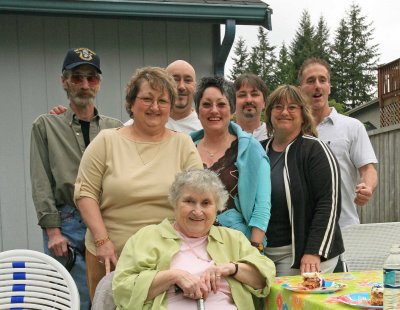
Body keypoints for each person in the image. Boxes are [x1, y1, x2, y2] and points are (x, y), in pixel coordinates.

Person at [74, 66, 203, 300]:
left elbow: (200, 199)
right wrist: (102, 241)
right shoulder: (107, 141)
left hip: (168, 261)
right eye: (147, 99)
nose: (155, 107)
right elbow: (85, 193)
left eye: (163, 101)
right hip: (111, 256)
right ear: (131, 103)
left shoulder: (183, 145)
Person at [30, 47, 122, 309]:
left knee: (109, 295)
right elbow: (41, 182)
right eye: (76, 77)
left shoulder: (114, 128)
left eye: (91, 78)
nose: (84, 85)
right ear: (64, 81)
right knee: (70, 298)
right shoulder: (46, 126)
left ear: (99, 83)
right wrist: (52, 231)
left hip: (107, 220)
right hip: (66, 224)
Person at [112, 169, 276, 309]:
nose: (198, 211)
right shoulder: (147, 237)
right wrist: (173, 276)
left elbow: (264, 277)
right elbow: (121, 289)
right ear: (175, 203)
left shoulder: (233, 239)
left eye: (206, 203)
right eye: (189, 201)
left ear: (217, 208)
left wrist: (231, 268)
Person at [261, 85, 344, 276]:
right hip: (263, 252)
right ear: (270, 113)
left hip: (302, 253)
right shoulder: (258, 151)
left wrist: (314, 251)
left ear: (303, 114)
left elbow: (328, 204)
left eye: (292, 107)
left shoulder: (315, 150)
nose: (284, 112)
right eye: (278, 106)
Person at [190, 76, 271, 252]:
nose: (214, 111)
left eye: (221, 104)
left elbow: (262, 205)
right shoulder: (186, 148)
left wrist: (255, 249)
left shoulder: (251, 149)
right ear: (197, 111)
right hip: (193, 247)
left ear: (232, 109)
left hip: (239, 247)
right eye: (206, 105)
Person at [298, 57, 378, 229]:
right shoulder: (293, 131)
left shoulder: (352, 127)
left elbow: (368, 169)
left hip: (344, 228)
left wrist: (367, 187)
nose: (317, 85)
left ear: (329, 87)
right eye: (310, 81)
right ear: (300, 89)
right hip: (302, 230)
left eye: (322, 80)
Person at [124, 60, 202, 133]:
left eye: (188, 80)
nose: (181, 86)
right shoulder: (131, 128)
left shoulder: (204, 127)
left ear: (195, 86)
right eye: (175, 79)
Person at [234, 73, 269, 141]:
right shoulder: (222, 136)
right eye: (242, 95)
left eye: (254, 94)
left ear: (264, 103)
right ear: (233, 102)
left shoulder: (275, 137)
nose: (249, 100)